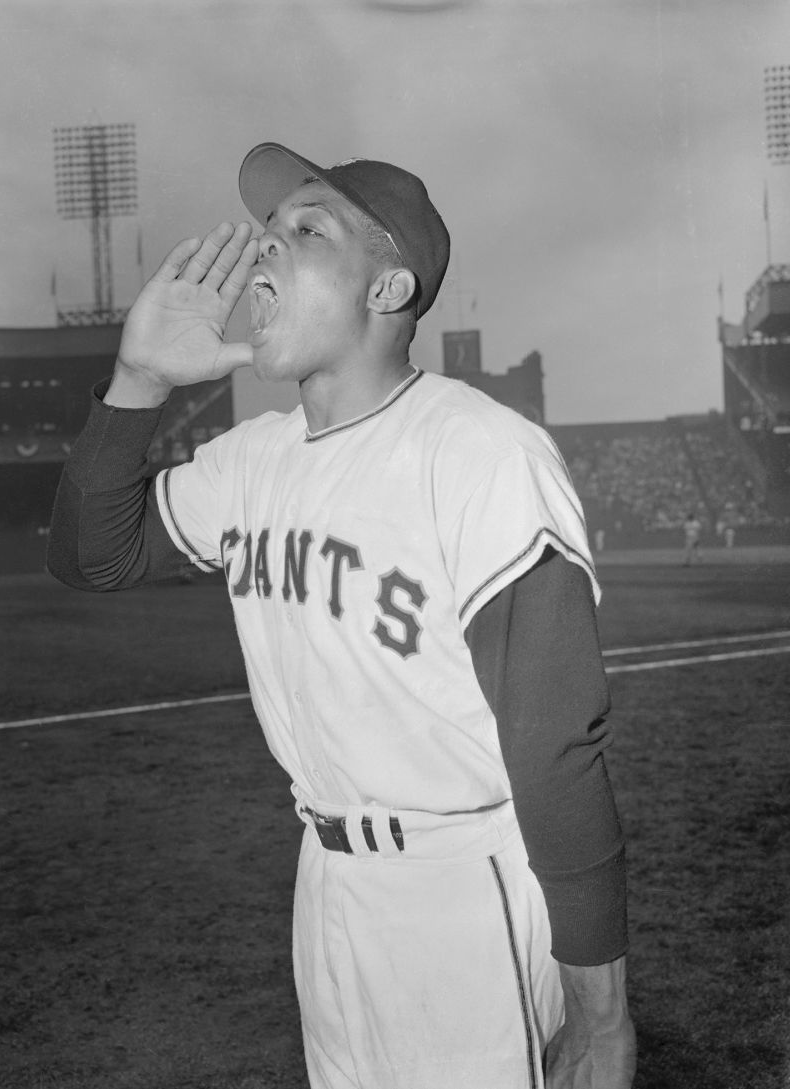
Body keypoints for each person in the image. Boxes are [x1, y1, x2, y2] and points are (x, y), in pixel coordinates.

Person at [47, 143, 635, 1089]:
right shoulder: (254, 460)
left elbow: (555, 741)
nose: (262, 253)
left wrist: (602, 1017)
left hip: (462, 893)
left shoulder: (479, 453)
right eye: (268, 232)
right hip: (325, 887)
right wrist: (139, 382)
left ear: (388, 286)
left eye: (306, 230)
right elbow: (89, 554)